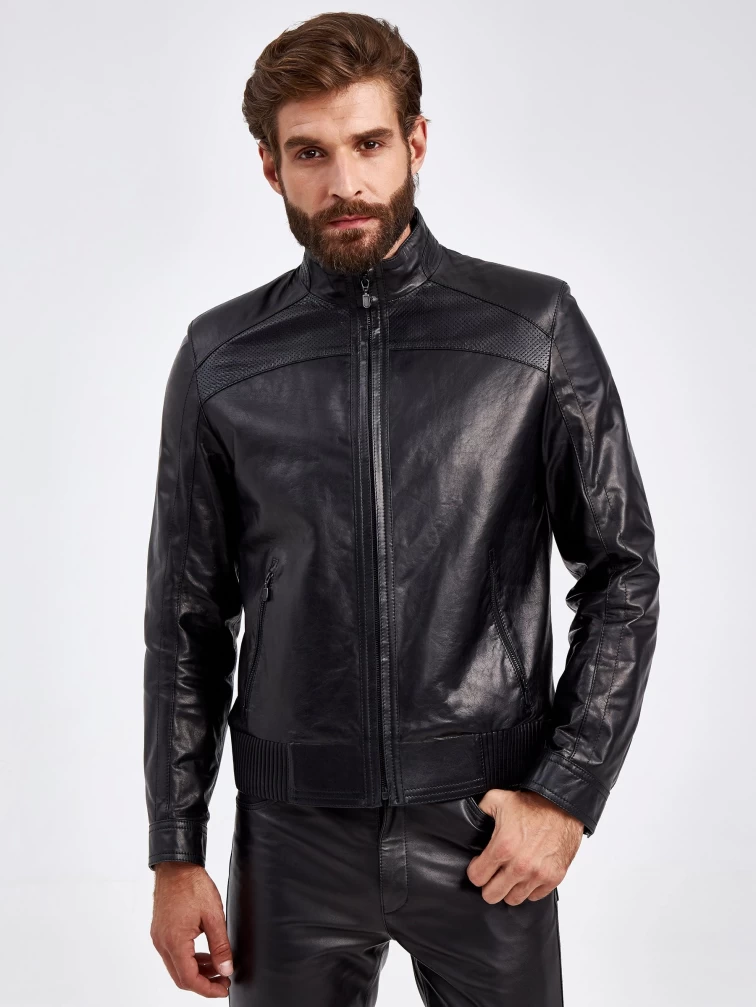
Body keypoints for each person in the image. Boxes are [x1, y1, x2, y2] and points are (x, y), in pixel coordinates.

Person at [143, 12, 661, 1005]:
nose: (346, 182)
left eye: (370, 143)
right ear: (270, 167)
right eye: (311, 153)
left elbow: (622, 572)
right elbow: (185, 617)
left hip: (485, 827)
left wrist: (565, 792)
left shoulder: (533, 330)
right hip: (290, 840)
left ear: (416, 141)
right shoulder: (221, 358)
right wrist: (176, 849)